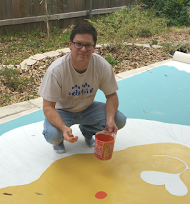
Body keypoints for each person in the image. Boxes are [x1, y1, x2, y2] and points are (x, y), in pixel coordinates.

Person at [38, 20, 127, 154]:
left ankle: (87, 130)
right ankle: (61, 138)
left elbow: (111, 95)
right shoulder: (56, 70)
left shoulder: (102, 66)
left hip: (87, 108)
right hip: (63, 111)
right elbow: (48, 107)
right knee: (53, 136)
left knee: (118, 120)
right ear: (70, 45)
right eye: (78, 44)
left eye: (88, 45)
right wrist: (62, 128)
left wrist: (109, 120)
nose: (83, 49)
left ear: (94, 48)